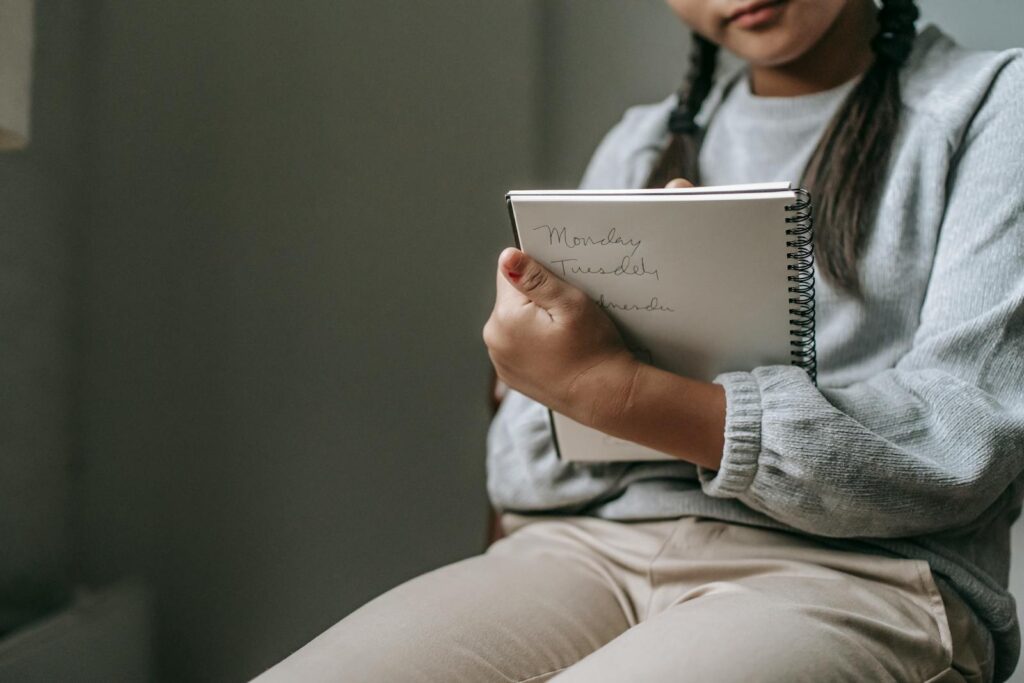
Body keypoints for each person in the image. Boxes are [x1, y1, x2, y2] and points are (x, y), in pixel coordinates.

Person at [255, 0, 1024, 681]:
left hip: (861, 578)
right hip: (589, 551)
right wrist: (560, 380)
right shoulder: (640, 144)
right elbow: (531, 471)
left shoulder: (992, 106)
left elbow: (961, 442)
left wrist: (616, 392)